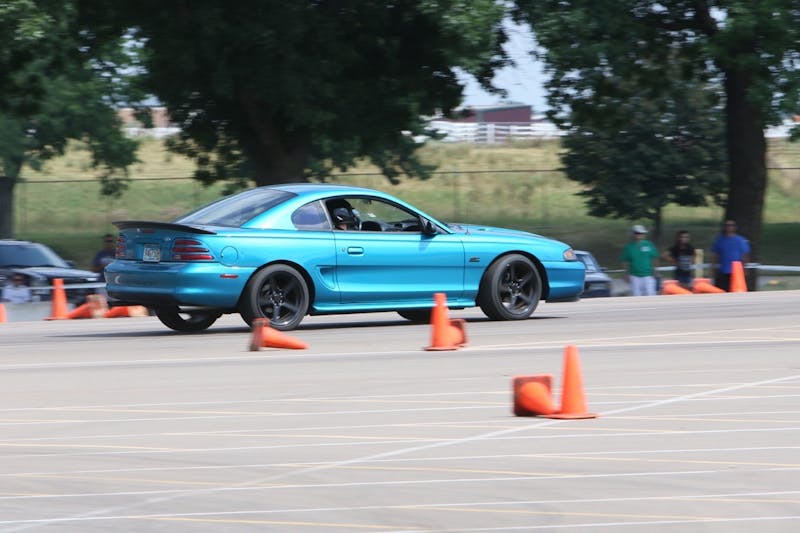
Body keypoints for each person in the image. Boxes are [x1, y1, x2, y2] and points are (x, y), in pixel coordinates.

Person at [620, 224, 660, 296]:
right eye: (637, 233)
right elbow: (625, 261)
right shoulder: (628, 247)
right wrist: (625, 274)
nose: (639, 235)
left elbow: (654, 258)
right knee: (636, 296)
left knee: (650, 294)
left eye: (641, 233)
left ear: (644, 234)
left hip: (648, 275)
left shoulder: (649, 245)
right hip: (634, 276)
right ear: (633, 234)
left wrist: (656, 271)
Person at [711, 219, 750, 291]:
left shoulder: (740, 240)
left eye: (731, 225)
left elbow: (745, 256)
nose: (729, 227)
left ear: (735, 227)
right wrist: (713, 270)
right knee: (721, 291)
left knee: (736, 291)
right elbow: (715, 256)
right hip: (723, 271)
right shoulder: (720, 241)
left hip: (736, 273)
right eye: (727, 225)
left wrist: (745, 270)